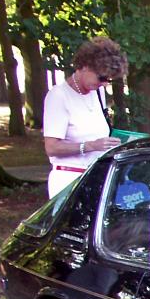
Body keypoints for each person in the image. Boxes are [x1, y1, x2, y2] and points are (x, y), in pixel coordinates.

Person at [43, 37, 128, 197]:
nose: (104, 84)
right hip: (69, 180)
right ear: (85, 67)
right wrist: (89, 146)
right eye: (101, 78)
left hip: (96, 176)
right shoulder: (58, 96)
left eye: (108, 80)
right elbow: (52, 148)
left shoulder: (97, 93)